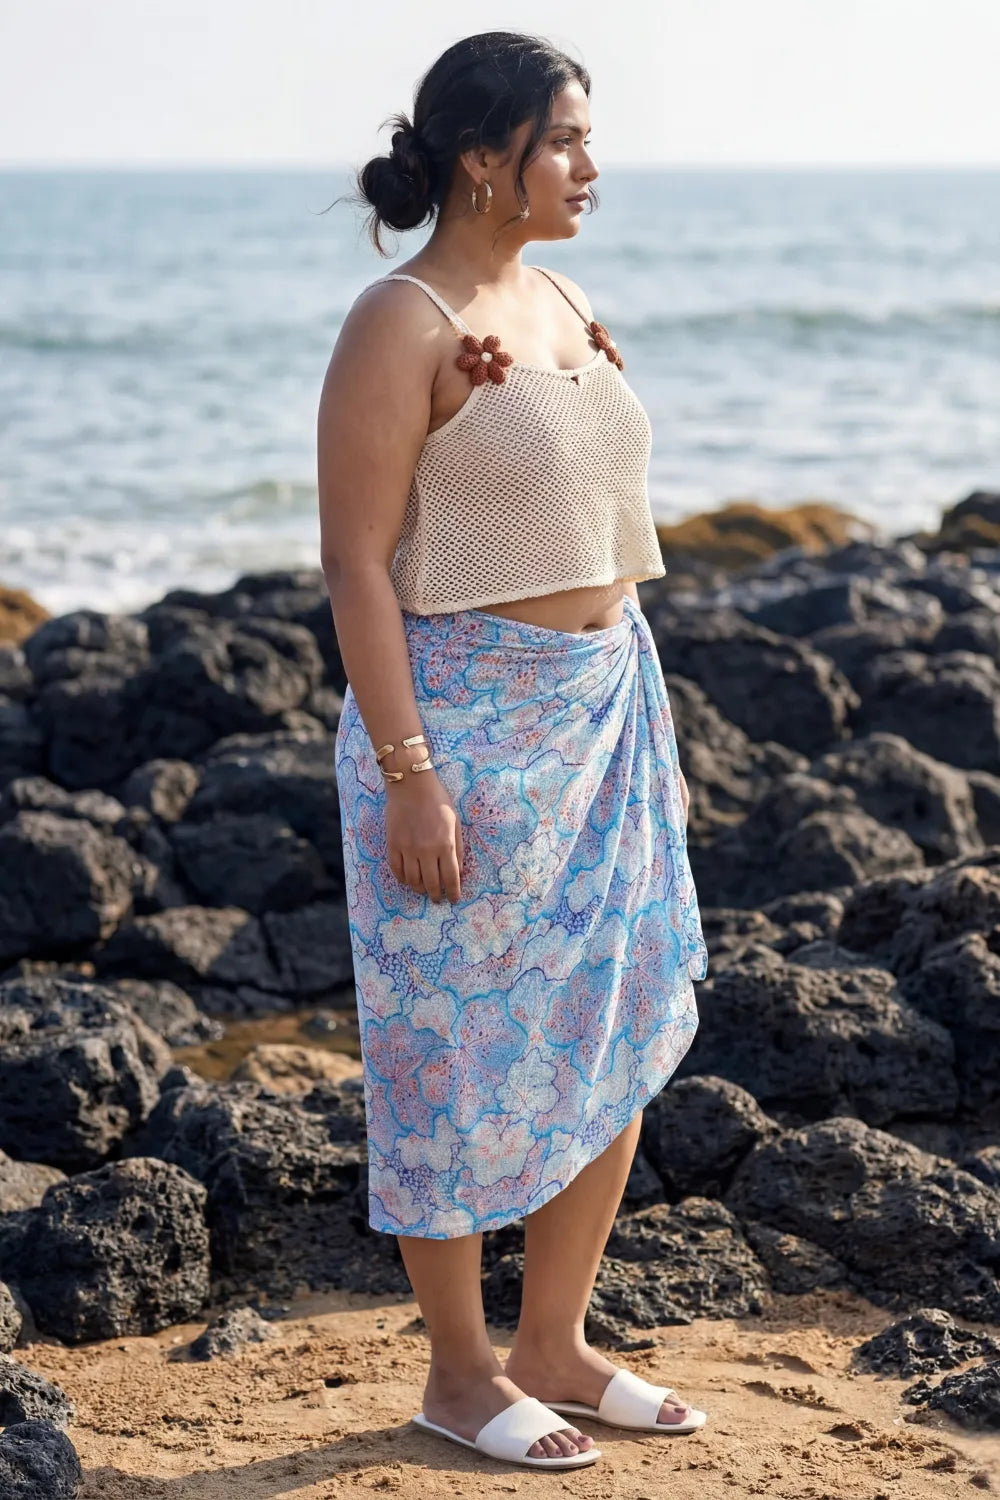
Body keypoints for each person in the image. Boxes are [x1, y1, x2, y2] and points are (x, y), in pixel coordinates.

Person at [317, 29, 709, 1474]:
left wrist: (642, 731)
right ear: (485, 159)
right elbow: (357, 566)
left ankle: (554, 1342)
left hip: (603, 704)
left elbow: (599, 524)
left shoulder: (559, 295)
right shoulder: (398, 320)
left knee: (602, 1025)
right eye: (567, 142)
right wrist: (412, 770)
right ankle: (462, 1373)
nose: (592, 168)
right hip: (462, 725)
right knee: (448, 1050)